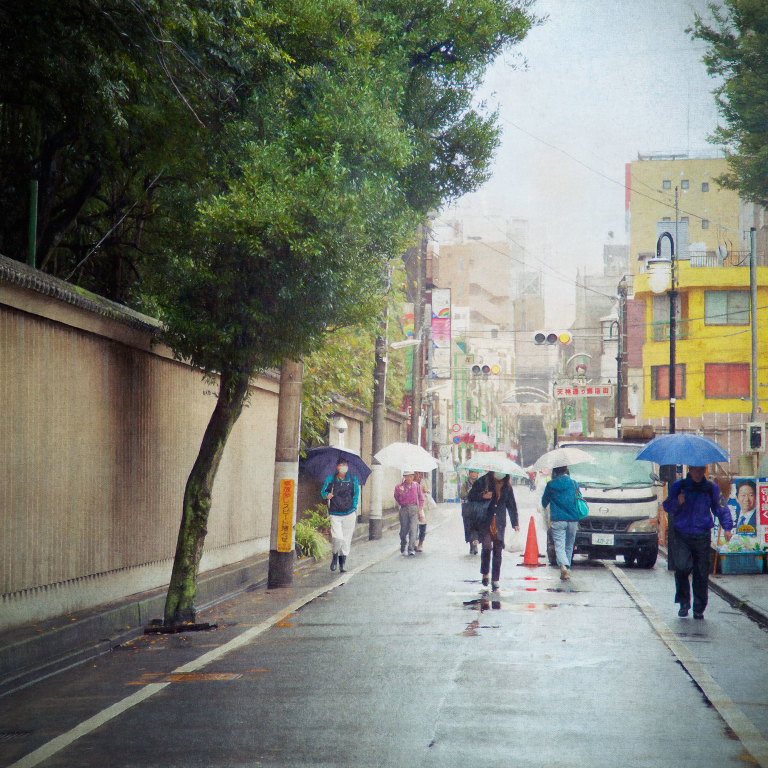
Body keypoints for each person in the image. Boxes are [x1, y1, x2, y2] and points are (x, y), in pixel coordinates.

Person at [663, 465, 733, 619]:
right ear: (690, 470)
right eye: (696, 470)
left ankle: (699, 608)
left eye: (702, 470)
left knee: (701, 572)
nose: (699, 473)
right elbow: (667, 506)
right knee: (681, 567)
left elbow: (721, 507)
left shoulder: (710, 488)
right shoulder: (679, 486)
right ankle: (683, 602)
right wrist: (678, 502)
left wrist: (727, 527)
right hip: (682, 534)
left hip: (702, 534)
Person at [467, 471, 519, 591]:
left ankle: (495, 579)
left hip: (499, 523)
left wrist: (515, 522)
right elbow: (471, 496)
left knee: (498, 551)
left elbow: (511, 505)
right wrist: (482, 496)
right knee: (486, 547)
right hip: (485, 521)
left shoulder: (507, 486)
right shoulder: (483, 481)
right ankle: (485, 573)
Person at [541, 465, 581, 581]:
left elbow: (544, 502)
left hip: (558, 519)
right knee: (569, 545)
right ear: (566, 470)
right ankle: (567, 568)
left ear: (555, 471)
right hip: (573, 519)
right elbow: (579, 497)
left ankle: (563, 565)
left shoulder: (551, 485)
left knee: (559, 545)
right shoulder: (574, 483)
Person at [321, 458, 360, 573]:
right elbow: (323, 492)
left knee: (346, 540)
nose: (343, 466)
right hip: (335, 513)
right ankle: (334, 555)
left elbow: (356, 494)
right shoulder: (331, 479)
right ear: (337, 467)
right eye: (341, 464)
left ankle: (342, 564)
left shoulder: (353, 479)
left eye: (345, 464)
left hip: (349, 513)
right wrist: (327, 495)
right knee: (337, 538)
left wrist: (353, 507)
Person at [394, 471, 424, 556]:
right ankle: (403, 542)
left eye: (411, 476)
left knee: (413, 529)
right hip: (404, 509)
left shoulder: (416, 485)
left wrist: (420, 509)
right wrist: (399, 493)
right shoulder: (399, 487)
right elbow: (397, 499)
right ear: (404, 477)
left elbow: (421, 498)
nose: (409, 478)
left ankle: (411, 548)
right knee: (404, 530)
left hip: (414, 508)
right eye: (407, 476)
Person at [460, 470, 480, 554]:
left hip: (477, 508)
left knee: (476, 526)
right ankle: (471, 545)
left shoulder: (480, 483)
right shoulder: (465, 484)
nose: (474, 474)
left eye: (475, 472)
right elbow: (462, 495)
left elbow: (482, 494)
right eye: (472, 472)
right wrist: (469, 491)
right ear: (469, 474)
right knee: (468, 527)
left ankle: (475, 544)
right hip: (467, 508)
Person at [416, 472, 436, 552]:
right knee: (413, 526)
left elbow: (429, 492)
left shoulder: (425, 481)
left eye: (417, 473)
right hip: (414, 506)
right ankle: (413, 542)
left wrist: (426, 490)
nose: (416, 475)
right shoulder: (410, 482)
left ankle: (420, 543)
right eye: (415, 473)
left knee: (422, 526)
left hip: (424, 507)